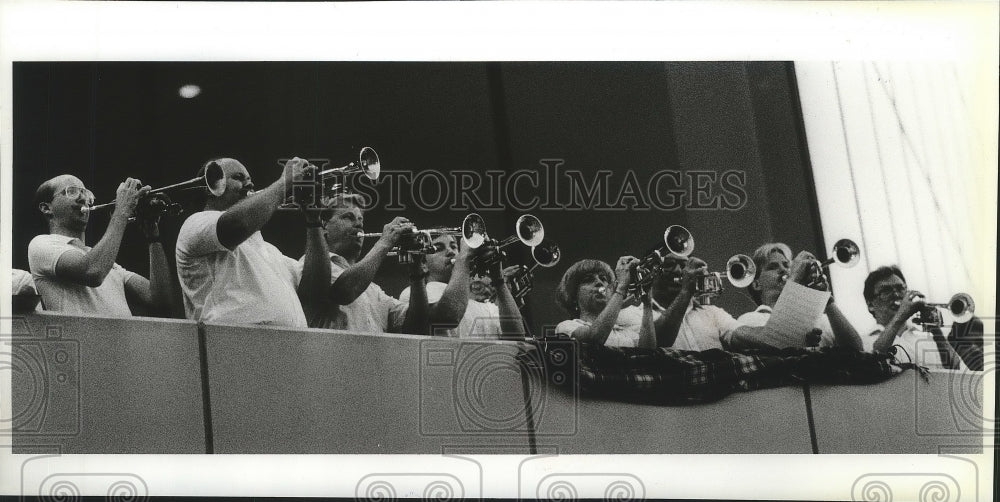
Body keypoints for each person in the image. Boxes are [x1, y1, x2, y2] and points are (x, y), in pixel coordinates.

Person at [175, 157, 330, 327]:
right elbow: (238, 224)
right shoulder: (195, 223)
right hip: (232, 343)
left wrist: (313, 219)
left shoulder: (271, 251)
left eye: (250, 180)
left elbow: (316, 292)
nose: (249, 185)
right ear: (209, 186)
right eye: (239, 177)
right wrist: (285, 182)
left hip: (288, 346)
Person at [28, 175, 179, 317]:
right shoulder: (41, 244)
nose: (83, 199)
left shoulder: (107, 262)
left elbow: (159, 300)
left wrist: (153, 235)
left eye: (85, 193)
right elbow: (92, 271)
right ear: (46, 208)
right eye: (71, 191)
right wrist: (122, 210)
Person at [305, 193, 429, 334]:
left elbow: (417, 327)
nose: (359, 224)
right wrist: (384, 242)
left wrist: (416, 272)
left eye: (360, 220)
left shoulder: (373, 290)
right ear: (324, 225)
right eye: (348, 217)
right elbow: (343, 292)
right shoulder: (310, 265)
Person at [737, 243, 863, 350]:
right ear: (756, 284)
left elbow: (857, 350)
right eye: (773, 267)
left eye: (787, 265)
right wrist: (795, 278)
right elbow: (775, 341)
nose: (783, 270)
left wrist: (827, 300)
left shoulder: (820, 318)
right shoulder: (749, 319)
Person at [398, 233, 525, 339]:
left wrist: (499, 280)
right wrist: (464, 258)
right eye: (439, 248)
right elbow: (448, 316)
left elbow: (517, 336)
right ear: (423, 264)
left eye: (454, 246)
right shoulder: (414, 294)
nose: (450, 251)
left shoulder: (482, 304)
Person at [862, 265, 964, 369]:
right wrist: (900, 316)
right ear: (870, 305)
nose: (896, 294)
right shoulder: (864, 342)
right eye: (886, 291)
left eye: (900, 288)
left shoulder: (928, 340)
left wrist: (936, 330)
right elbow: (875, 359)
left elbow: (955, 368)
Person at [554, 256, 661, 348]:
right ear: (573, 296)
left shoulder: (624, 330)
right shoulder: (566, 326)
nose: (599, 282)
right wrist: (621, 288)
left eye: (603, 278)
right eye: (588, 279)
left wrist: (647, 302)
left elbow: (648, 353)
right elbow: (593, 340)